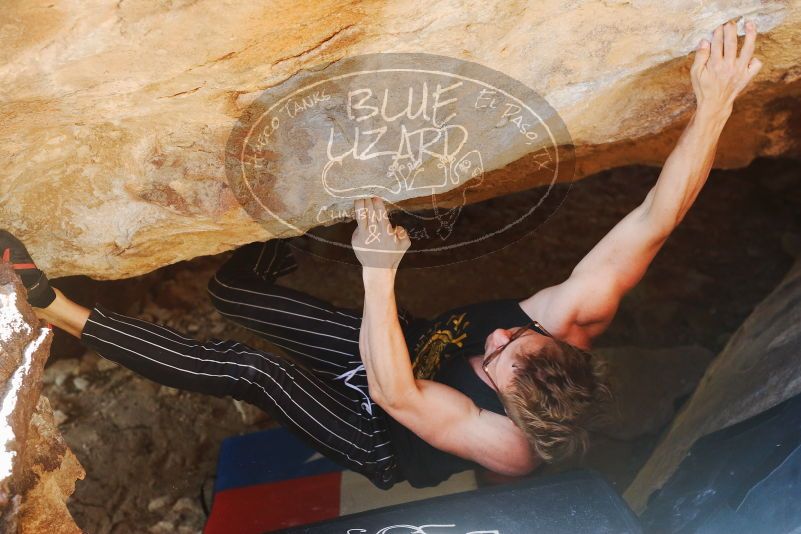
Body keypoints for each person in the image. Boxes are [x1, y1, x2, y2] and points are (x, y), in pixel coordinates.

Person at [1, 20, 761, 490]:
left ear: (504, 400)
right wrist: (717, 103)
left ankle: (55, 309)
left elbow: (396, 393)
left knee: (256, 368)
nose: (496, 334)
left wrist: (377, 269)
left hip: (380, 422)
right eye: (515, 335)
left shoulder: (503, 442)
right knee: (237, 298)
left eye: (497, 358)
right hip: (405, 352)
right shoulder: (565, 319)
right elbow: (653, 220)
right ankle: (293, 238)